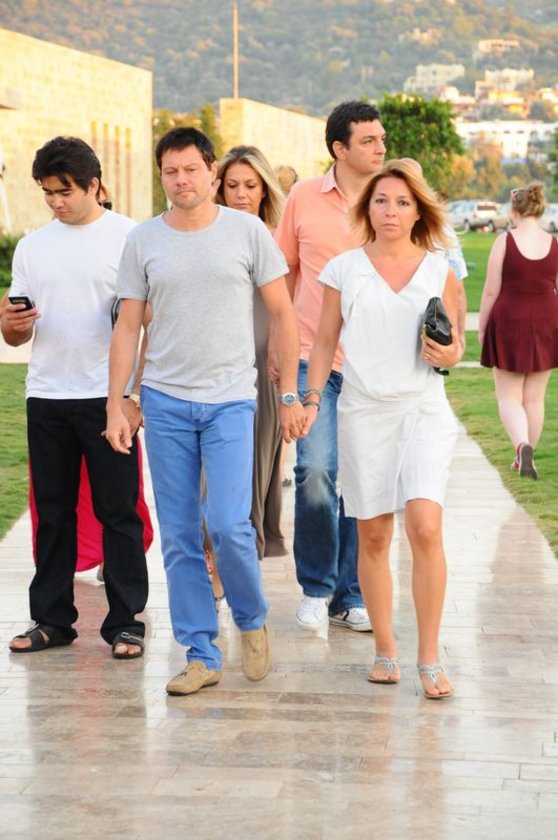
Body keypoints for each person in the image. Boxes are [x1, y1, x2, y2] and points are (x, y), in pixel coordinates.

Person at [104, 127, 305, 697]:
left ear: (211, 172)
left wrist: (289, 393)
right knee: (179, 534)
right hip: (165, 402)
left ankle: (251, 617)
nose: (181, 180)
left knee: (228, 524)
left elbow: (283, 314)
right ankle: (200, 652)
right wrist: (118, 402)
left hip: (230, 400)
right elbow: (127, 326)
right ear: (161, 177)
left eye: (191, 169)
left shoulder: (246, 232)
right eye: (170, 172)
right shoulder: (144, 239)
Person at [303, 159, 463, 698]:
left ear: (418, 210)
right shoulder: (343, 270)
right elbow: (324, 343)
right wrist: (309, 399)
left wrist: (450, 352)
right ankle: (386, 650)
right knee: (373, 534)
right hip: (364, 412)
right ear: (367, 209)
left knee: (425, 526)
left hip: (422, 409)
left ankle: (429, 657)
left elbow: (456, 345)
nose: (390, 211)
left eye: (401, 202)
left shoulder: (440, 270)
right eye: (380, 201)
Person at [1, 136, 149, 658]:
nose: (56, 202)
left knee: (118, 512)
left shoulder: (130, 237)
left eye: (65, 191)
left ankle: (126, 622)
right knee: (53, 512)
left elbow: (149, 325)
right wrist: (12, 324)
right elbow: (13, 335)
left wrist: (132, 396)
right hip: (46, 393)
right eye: (47, 193)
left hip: (107, 398)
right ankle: (52, 620)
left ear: (94, 185)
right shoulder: (33, 246)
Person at [274, 100, 387, 632]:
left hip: (375, 366)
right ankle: (317, 588)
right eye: (368, 140)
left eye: (381, 139)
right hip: (310, 358)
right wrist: (277, 352)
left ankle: (352, 593)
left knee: (361, 479)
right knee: (316, 470)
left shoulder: (391, 199)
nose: (380, 147)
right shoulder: (303, 197)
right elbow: (284, 276)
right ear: (339, 149)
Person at [214, 144, 287, 561]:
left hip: (264, 363)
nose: (241, 194)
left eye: (250, 185)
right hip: (216, 366)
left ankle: (246, 554)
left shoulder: (276, 240)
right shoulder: (206, 236)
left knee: (257, 462)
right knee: (215, 474)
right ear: (220, 189)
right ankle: (217, 556)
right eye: (232, 185)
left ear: (264, 190)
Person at [479, 183, 558, 479]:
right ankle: (527, 458)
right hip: (547, 321)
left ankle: (521, 445)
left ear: (514, 211)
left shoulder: (505, 241)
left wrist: (483, 328)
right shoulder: (554, 243)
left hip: (510, 319)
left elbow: (490, 290)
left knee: (509, 397)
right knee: (534, 399)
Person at [400, 158, 468, 348]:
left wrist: (459, 334)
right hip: (431, 327)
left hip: (426, 327)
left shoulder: (382, 226)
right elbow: (458, 290)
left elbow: (457, 289)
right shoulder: (443, 228)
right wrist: (459, 335)